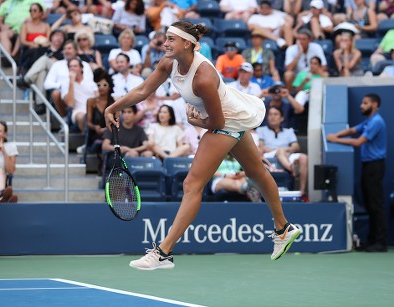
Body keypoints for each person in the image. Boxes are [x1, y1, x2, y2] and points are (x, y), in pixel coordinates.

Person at [104, 20, 301, 270]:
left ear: (188, 44)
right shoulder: (169, 62)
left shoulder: (204, 77)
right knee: (257, 172)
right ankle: (283, 228)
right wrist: (112, 107)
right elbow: (144, 90)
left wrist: (194, 120)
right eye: (165, 38)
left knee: (192, 184)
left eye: (171, 39)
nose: (165, 43)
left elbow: (217, 121)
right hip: (233, 116)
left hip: (224, 121)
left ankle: (163, 252)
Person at [326, 94, 387, 252]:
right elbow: (353, 130)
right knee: (369, 204)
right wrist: (337, 134)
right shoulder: (369, 121)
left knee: (376, 205)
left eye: (365, 103)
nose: (362, 105)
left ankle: (380, 242)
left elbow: (359, 141)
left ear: (375, 105)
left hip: (375, 166)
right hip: (368, 166)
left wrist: (334, 139)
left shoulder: (376, 121)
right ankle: (372, 240)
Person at [256, 106, 309, 201]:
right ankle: (292, 169)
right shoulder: (261, 130)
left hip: (286, 154)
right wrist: (278, 150)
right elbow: (261, 147)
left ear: (282, 118)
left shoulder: (289, 131)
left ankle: (302, 192)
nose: (272, 117)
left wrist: (286, 151)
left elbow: (296, 146)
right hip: (269, 155)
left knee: (303, 157)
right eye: (270, 114)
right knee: (280, 151)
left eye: (275, 114)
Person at [62, 58, 98, 132]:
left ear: (81, 68)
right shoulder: (66, 83)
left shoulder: (90, 82)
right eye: (70, 66)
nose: (72, 68)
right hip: (78, 111)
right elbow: (70, 104)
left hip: (92, 108)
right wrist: (71, 82)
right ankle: (86, 139)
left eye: (75, 66)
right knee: (82, 116)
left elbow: (98, 97)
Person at [84, 68, 113, 154]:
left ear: (109, 87)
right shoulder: (91, 101)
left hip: (109, 134)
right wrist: (95, 127)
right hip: (95, 134)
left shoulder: (113, 102)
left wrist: (107, 130)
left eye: (104, 85)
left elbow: (117, 119)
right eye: (98, 85)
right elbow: (88, 122)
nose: (101, 88)